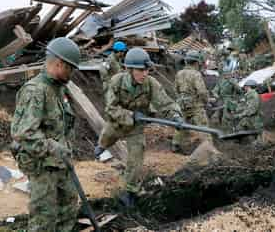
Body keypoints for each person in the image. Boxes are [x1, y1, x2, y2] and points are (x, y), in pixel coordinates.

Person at [94, 47, 183, 207]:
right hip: (117, 123)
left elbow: (165, 102)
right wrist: (130, 115)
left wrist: (175, 115)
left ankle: (129, 191)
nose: (145, 74)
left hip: (136, 129)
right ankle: (100, 147)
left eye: (147, 70)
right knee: (105, 140)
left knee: (136, 159)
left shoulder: (151, 83)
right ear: (129, 69)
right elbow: (110, 108)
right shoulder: (117, 81)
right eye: (141, 70)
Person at [11, 37, 80, 232]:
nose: (72, 73)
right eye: (71, 68)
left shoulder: (58, 88)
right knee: (44, 219)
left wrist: (65, 151)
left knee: (67, 210)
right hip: (42, 167)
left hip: (61, 164)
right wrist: (54, 147)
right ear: (59, 64)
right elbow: (24, 134)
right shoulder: (35, 91)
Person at [172, 50, 212, 153]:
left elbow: (175, 89)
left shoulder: (179, 73)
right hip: (195, 105)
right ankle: (209, 149)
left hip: (181, 103)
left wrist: (180, 98)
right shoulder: (196, 74)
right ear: (196, 63)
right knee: (203, 127)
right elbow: (202, 91)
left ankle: (176, 144)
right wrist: (207, 102)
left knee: (181, 124)